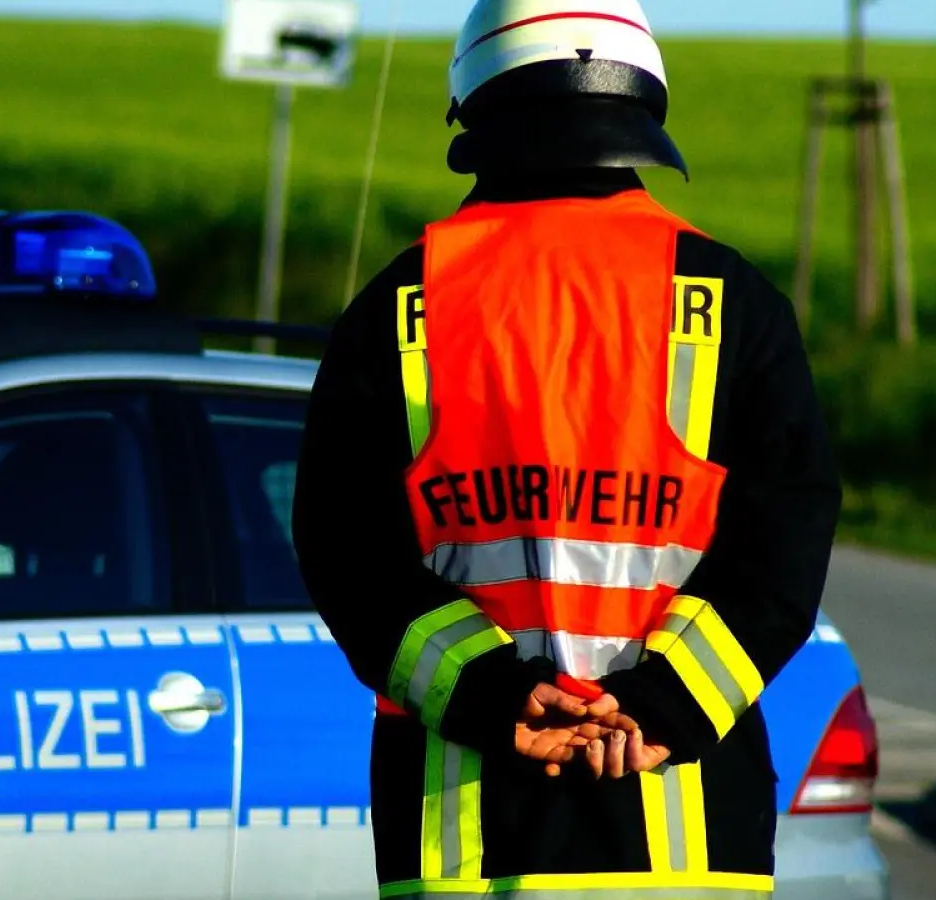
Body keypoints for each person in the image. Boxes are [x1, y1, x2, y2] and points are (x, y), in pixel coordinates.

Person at [289, 1, 842, 897]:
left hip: (461, 838)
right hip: (689, 832)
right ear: (642, 100)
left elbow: (345, 550)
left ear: (471, 103)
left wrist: (496, 696)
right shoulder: (732, 300)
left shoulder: (401, 306)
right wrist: (658, 709)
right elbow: (782, 550)